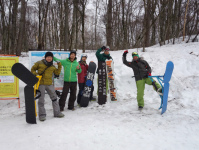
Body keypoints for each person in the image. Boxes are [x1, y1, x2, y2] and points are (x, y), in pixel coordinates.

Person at [31, 51, 64, 121]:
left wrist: (59, 65)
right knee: (41, 100)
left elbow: (57, 72)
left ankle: (57, 113)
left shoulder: (52, 66)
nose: (49, 58)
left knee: (54, 98)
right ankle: (42, 115)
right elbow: (32, 69)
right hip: (41, 84)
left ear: (52, 58)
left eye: (50, 57)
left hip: (49, 84)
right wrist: (35, 74)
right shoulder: (39, 63)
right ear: (45, 57)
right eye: (48, 57)